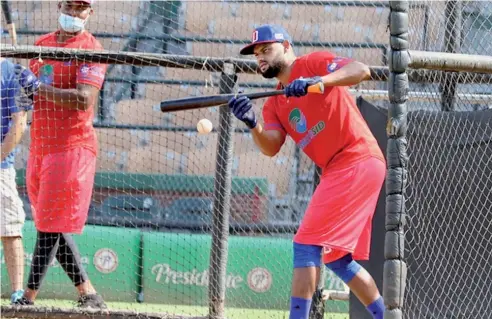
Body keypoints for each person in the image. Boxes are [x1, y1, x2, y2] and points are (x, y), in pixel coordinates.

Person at [228, 25, 386, 319]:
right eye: (257, 54)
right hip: (342, 168)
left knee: (305, 244)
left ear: (286, 46)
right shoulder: (275, 101)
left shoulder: (311, 64)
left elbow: (361, 70)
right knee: (337, 259)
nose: (260, 57)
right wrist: (252, 124)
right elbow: (271, 146)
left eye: (267, 49)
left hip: (356, 158)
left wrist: (320, 81)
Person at [13, 0, 108, 309]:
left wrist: (37, 88)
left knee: (49, 226)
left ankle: (27, 299)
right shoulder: (41, 45)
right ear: (59, 5)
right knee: (52, 223)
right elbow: (28, 94)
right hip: (40, 145)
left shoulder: (92, 48)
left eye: (81, 8)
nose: (74, 13)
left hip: (71, 147)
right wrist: (23, 88)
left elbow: (83, 99)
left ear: (90, 13)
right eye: (70, 6)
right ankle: (88, 293)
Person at [1, 57, 34, 304]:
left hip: (1, 168)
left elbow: (20, 123)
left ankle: (17, 292)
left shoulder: (11, 71)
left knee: (10, 229)